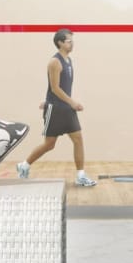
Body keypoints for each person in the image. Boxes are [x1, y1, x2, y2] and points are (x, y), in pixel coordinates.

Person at [16, 28, 95, 187]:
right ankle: (24, 165)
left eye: (72, 40)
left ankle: (80, 175)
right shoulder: (54, 62)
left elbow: (60, 87)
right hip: (56, 109)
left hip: (66, 108)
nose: (72, 43)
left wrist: (65, 103)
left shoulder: (68, 60)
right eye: (69, 41)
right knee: (49, 144)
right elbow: (55, 88)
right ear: (60, 43)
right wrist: (71, 102)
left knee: (78, 139)